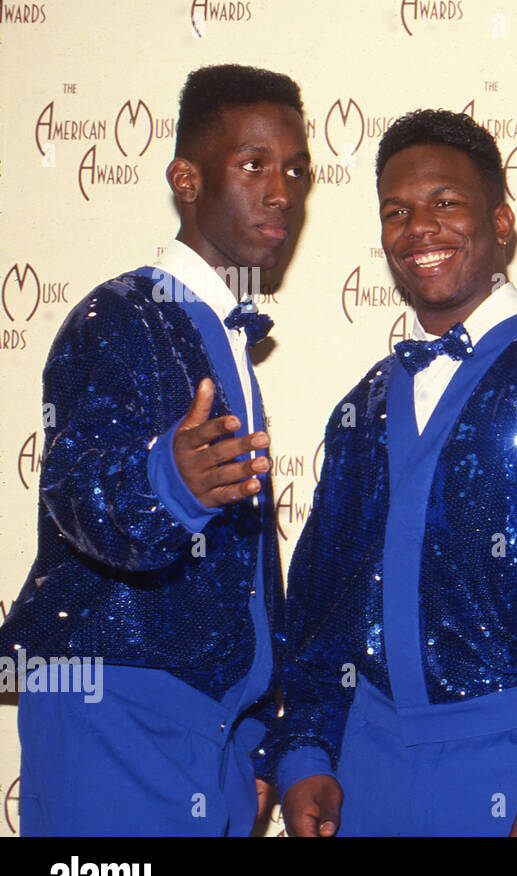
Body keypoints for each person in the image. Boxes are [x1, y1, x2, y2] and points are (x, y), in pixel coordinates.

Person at [262, 109, 517, 837]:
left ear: (502, 221)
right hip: (367, 772)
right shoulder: (364, 405)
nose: (419, 226)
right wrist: (306, 752)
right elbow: (324, 605)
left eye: (445, 203)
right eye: (397, 211)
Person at [1, 64, 310, 835]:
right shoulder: (120, 315)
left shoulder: (226, 331)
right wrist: (166, 481)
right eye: (254, 165)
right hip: (117, 712)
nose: (282, 190)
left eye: (297, 170)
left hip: (210, 730)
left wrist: (255, 736)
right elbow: (77, 493)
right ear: (186, 178)